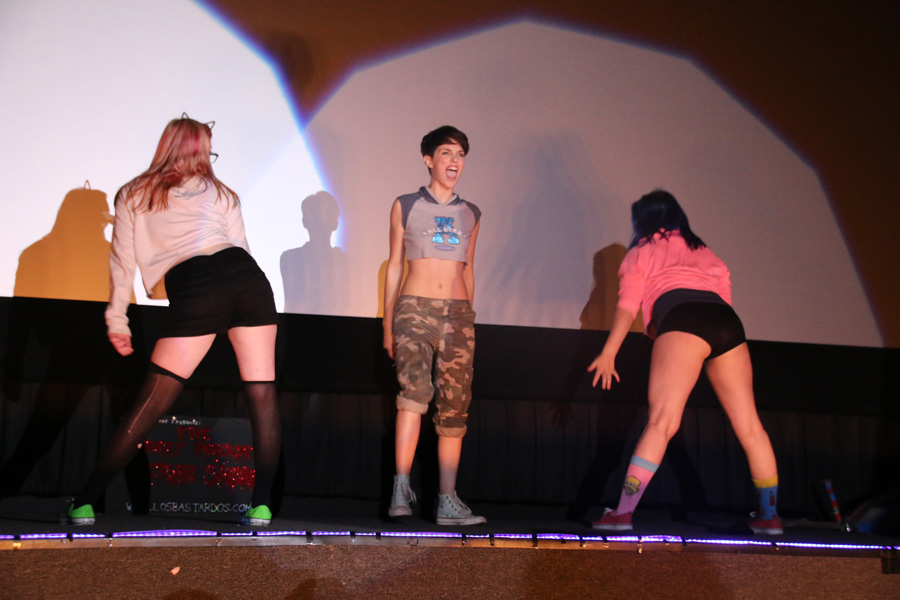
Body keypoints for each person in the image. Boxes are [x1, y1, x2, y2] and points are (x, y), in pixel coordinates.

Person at [61, 116, 281, 527]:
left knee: (153, 399)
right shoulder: (222, 192)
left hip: (199, 284)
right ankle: (263, 506)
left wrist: (117, 319)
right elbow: (241, 248)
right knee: (262, 394)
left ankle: (84, 503)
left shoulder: (134, 192)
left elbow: (122, 262)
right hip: (248, 279)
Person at [588, 190, 781, 534]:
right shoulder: (704, 251)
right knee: (751, 427)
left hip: (683, 318)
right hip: (726, 322)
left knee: (661, 422)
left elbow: (628, 307)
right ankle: (769, 517)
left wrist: (609, 351)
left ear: (642, 221)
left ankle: (622, 513)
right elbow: (722, 300)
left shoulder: (642, 250)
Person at [382, 125, 485, 525]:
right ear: (429, 160)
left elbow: (469, 268)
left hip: (458, 315)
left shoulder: (471, 212)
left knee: (455, 406)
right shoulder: (406, 204)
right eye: (446, 153)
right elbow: (394, 265)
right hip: (415, 309)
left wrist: (468, 318)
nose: (454, 161)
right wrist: (387, 323)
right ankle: (401, 489)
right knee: (414, 394)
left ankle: (447, 499)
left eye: (460, 154)